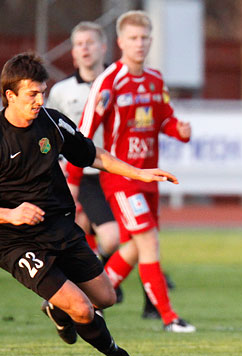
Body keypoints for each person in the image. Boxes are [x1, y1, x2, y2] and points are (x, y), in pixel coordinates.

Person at [0, 52, 180, 356]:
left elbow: (95, 155)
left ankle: (56, 309)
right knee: (80, 306)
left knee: (105, 297)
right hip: (12, 240)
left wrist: (140, 174)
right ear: (10, 95)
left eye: (43, 92)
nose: (40, 100)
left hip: (58, 226)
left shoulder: (52, 122)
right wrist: (12, 214)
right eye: (32, 94)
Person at [79, 10, 195, 333]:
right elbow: (84, 132)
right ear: (120, 42)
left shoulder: (156, 80)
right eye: (133, 38)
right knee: (149, 242)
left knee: (132, 248)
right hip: (121, 178)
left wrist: (179, 129)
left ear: (151, 41)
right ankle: (169, 318)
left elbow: (164, 119)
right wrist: (74, 179)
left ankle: (88, 302)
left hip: (150, 178)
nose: (139, 44)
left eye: (144, 38)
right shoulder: (109, 81)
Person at [47, 21, 170, 319]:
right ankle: (155, 309)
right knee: (128, 238)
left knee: (127, 241)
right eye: (79, 44)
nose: (85, 49)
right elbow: (54, 132)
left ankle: (98, 286)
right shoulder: (63, 91)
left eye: (90, 43)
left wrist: (176, 127)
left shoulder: (116, 80)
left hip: (112, 170)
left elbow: (157, 116)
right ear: (74, 52)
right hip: (83, 174)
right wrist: (66, 175)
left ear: (104, 47)